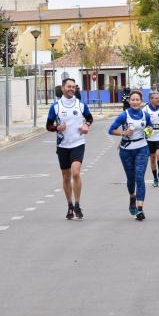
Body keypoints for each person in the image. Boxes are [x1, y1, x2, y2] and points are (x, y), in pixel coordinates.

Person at [46, 78, 93, 220]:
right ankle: (70, 205)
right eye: (69, 87)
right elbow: (48, 126)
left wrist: (86, 126)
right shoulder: (56, 107)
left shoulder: (80, 105)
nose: (71, 89)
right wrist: (57, 128)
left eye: (74, 87)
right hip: (62, 146)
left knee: (76, 173)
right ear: (62, 88)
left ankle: (78, 204)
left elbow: (89, 119)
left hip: (78, 143)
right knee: (66, 176)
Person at [109, 90, 153, 221]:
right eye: (132, 100)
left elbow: (149, 128)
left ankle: (140, 209)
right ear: (129, 101)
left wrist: (149, 130)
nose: (135, 102)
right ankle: (132, 197)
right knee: (131, 178)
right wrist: (123, 133)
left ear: (141, 101)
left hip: (142, 148)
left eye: (137, 100)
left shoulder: (146, 115)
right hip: (126, 150)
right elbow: (111, 130)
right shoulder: (124, 115)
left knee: (140, 177)